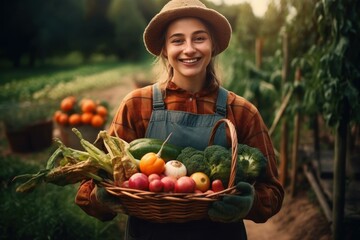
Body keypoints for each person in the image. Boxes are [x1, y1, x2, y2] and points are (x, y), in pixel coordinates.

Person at [75, 0, 284, 239]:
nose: (189, 49)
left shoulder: (241, 111)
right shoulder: (136, 105)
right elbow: (86, 189)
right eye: (177, 40)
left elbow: (273, 191)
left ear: (213, 45)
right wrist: (101, 198)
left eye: (199, 38)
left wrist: (251, 202)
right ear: (164, 49)